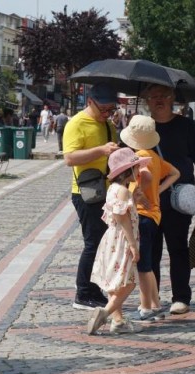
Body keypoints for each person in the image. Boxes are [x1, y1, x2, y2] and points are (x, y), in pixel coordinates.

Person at [145, 84, 195, 315]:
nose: (159, 100)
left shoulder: (187, 126)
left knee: (178, 249)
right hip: (147, 200)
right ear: (147, 101)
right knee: (149, 251)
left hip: (179, 199)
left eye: (164, 95)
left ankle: (181, 297)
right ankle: (151, 299)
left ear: (173, 98)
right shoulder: (142, 128)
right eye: (154, 96)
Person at [63, 83, 120, 310]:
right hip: (86, 192)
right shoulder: (76, 124)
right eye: (103, 109)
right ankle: (83, 293)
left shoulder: (107, 124)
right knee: (92, 242)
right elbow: (70, 158)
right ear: (90, 102)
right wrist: (101, 150)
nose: (107, 114)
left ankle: (95, 290)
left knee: (104, 243)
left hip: (108, 190)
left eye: (111, 109)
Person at [86, 147, 150, 335]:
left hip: (113, 237)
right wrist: (132, 244)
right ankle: (104, 313)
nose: (138, 171)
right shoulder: (122, 190)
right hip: (122, 238)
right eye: (135, 167)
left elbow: (122, 214)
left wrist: (135, 199)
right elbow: (122, 219)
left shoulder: (115, 189)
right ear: (126, 171)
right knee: (128, 282)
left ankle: (118, 320)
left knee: (115, 281)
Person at [123, 115, 180, 322]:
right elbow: (175, 172)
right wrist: (158, 190)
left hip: (142, 216)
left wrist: (137, 192)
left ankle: (145, 307)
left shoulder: (139, 157)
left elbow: (145, 176)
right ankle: (155, 304)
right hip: (154, 214)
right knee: (147, 263)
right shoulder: (154, 156)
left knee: (143, 265)